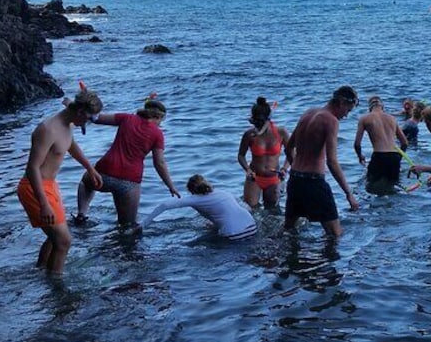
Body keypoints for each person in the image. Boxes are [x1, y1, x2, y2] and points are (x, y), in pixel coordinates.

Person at [17, 86, 104, 275]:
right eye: (89, 119)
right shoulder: (48, 129)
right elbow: (32, 168)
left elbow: (70, 144)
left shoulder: (68, 124)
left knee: (55, 237)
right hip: (34, 187)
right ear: (80, 112)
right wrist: (43, 204)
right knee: (64, 240)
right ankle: (56, 286)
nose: (89, 123)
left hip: (50, 185)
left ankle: (41, 271)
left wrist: (90, 168)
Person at [76, 97, 180, 227]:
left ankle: (81, 215)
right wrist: (170, 186)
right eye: (161, 121)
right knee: (128, 226)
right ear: (158, 117)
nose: (160, 124)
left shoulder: (126, 118)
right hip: (129, 181)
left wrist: (77, 105)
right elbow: (159, 163)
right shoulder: (157, 134)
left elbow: (95, 118)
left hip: (104, 172)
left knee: (86, 183)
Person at [284, 85, 360, 237]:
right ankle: (330, 261)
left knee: (289, 230)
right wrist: (348, 193)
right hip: (314, 182)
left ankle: (289, 259)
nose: (346, 116)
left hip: (294, 180)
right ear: (341, 103)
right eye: (348, 110)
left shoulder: (308, 113)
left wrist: (297, 169)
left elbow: (288, 148)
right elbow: (332, 161)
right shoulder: (331, 121)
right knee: (335, 234)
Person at [140, 174, 257, 240]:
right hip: (252, 227)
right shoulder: (223, 193)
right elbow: (245, 208)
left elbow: (164, 205)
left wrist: (142, 225)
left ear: (191, 190)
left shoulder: (195, 199)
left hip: (234, 234)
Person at [237, 97, 291, 209]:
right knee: (250, 209)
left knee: (272, 211)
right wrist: (247, 169)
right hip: (254, 178)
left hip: (273, 178)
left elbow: (291, 154)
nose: (257, 125)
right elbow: (241, 155)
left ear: (268, 119)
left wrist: (284, 169)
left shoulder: (281, 132)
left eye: (260, 121)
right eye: (255, 121)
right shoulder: (249, 134)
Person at [353, 96, 409, 193]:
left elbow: (357, 144)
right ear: (382, 106)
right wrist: (398, 157)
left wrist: (360, 156)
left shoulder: (364, 118)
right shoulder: (392, 118)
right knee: (393, 188)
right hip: (394, 157)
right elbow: (404, 143)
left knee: (370, 187)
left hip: (379, 156)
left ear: (369, 108)